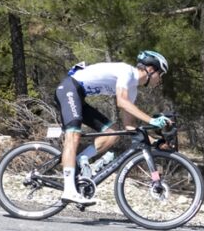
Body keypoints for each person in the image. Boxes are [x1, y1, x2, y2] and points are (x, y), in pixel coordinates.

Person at [55, 50, 171, 206]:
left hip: (78, 96)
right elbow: (122, 102)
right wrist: (152, 120)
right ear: (151, 70)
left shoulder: (133, 88)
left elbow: (129, 126)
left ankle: (76, 162)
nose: (160, 80)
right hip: (69, 88)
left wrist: (153, 141)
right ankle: (69, 190)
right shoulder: (126, 72)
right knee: (74, 135)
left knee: (112, 133)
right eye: (161, 74)